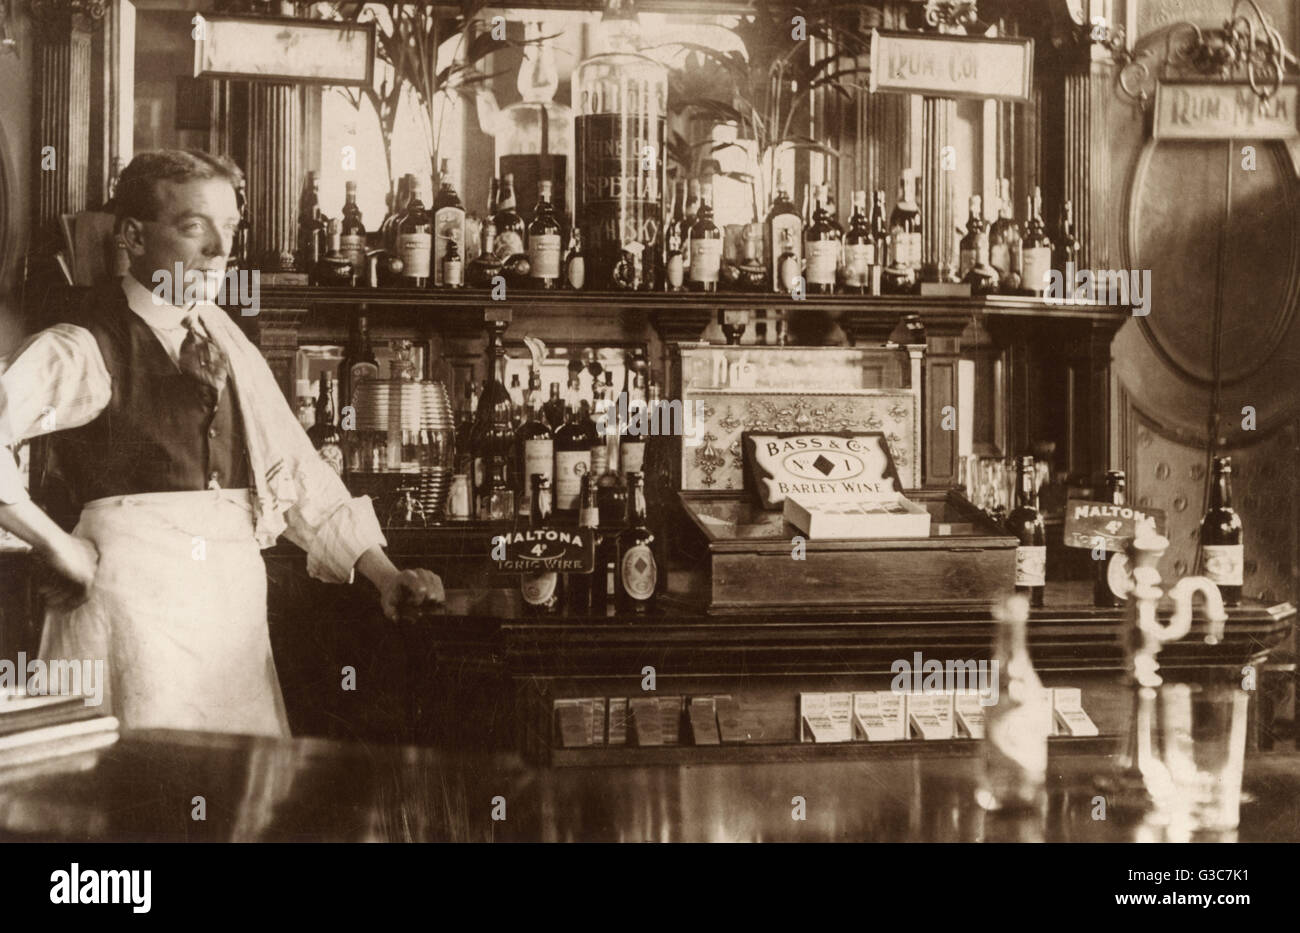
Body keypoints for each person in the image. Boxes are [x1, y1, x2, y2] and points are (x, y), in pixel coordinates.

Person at [0, 149, 444, 737]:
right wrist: (56, 545)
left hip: (228, 621)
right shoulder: (85, 341)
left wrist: (385, 575)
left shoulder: (223, 334)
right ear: (134, 236)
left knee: (232, 806)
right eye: (194, 227)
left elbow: (297, 470)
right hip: (129, 616)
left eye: (230, 228)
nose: (220, 249)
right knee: (132, 803)